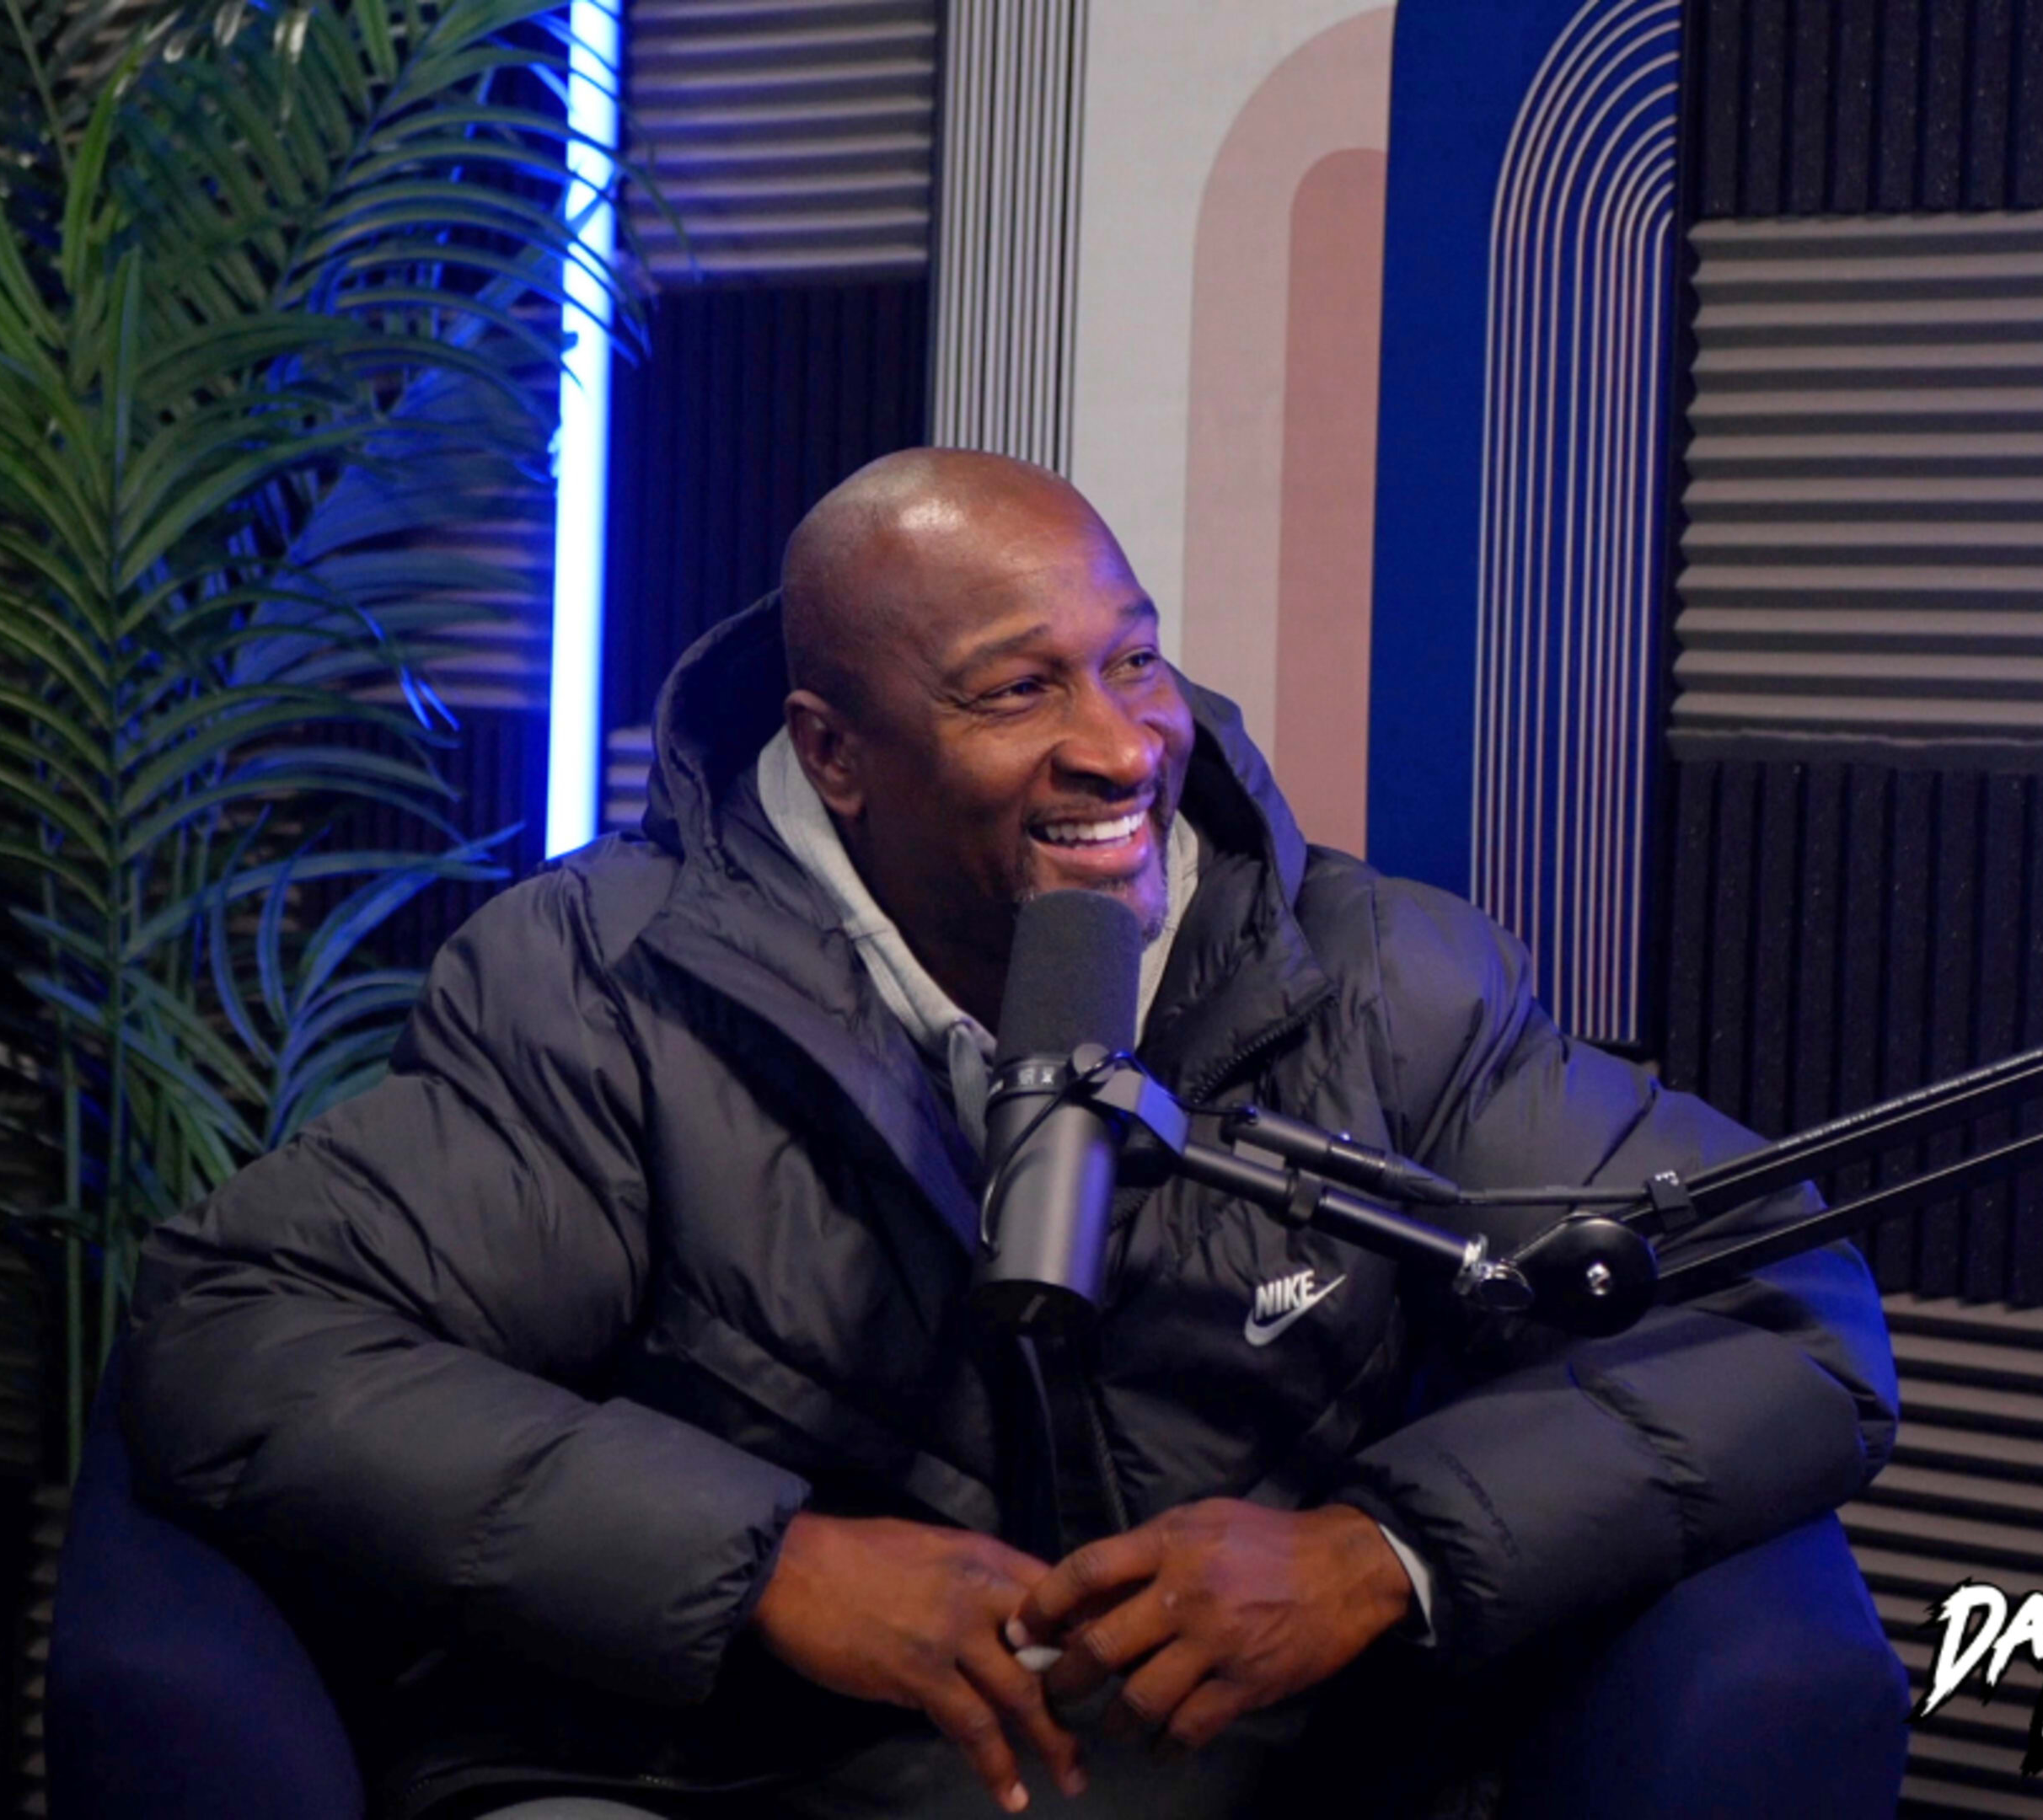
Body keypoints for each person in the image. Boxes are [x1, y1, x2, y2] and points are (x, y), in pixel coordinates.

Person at [123, 450, 1906, 1817]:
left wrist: (1383, 1552)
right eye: (1013, 689)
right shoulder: (607, 990)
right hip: (733, 1773)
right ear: (836, 751)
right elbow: (236, 1338)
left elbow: (1786, 1313)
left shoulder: (1381, 981)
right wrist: (767, 1567)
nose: (1117, 744)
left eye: (1131, 660)